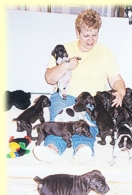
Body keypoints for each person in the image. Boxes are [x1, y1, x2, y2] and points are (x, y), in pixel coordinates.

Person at [33, 9, 126, 164]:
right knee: (58, 123)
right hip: (65, 96)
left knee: (88, 125)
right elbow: (49, 78)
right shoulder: (63, 49)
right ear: (77, 33)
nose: (90, 40)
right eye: (86, 35)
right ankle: (52, 149)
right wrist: (65, 66)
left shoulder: (106, 53)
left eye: (94, 35)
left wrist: (121, 91)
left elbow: (116, 80)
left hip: (92, 101)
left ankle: (82, 148)